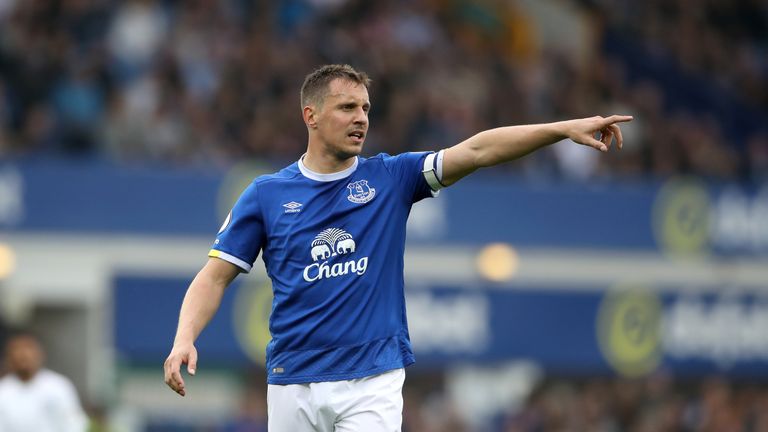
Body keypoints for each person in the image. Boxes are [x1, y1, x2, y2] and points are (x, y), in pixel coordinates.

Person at [163, 64, 632, 431]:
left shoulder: (391, 177)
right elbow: (214, 275)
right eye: (347, 108)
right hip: (293, 380)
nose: (361, 119)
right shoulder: (265, 195)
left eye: (365, 108)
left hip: (372, 379)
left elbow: (477, 151)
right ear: (311, 115)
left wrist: (560, 128)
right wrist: (184, 338)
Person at [0, 329, 89, 432]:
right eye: (17, 350)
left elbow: (74, 424)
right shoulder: (3, 391)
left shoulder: (58, 386)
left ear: (39, 353)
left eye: (28, 348)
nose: (23, 355)